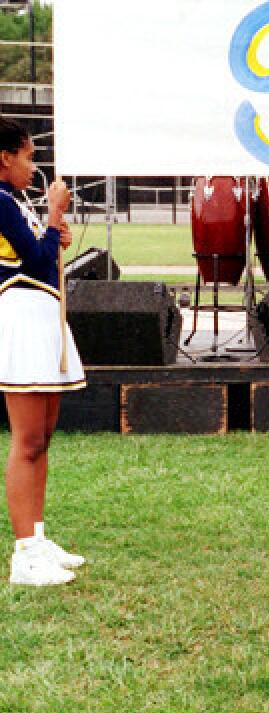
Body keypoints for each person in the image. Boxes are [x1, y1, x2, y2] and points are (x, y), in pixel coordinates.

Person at [0, 118, 87, 585]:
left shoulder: (14, 202)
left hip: (42, 315)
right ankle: (24, 554)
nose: (34, 168)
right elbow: (31, 262)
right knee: (27, 441)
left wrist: (55, 236)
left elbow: (44, 262)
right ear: (5, 158)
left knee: (43, 438)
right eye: (30, 157)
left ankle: (37, 535)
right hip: (20, 319)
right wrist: (53, 217)